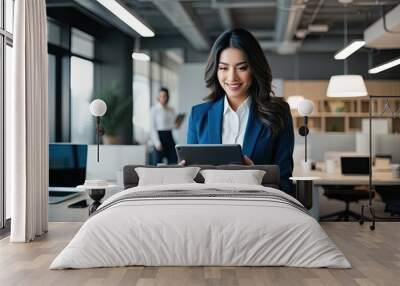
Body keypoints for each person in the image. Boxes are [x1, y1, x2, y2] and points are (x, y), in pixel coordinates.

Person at [186, 28, 294, 194]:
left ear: (254, 68)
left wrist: (255, 175)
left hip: (258, 209)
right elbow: (192, 181)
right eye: (223, 68)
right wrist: (184, 174)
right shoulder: (199, 115)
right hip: (208, 208)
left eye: (242, 68)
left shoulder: (278, 112)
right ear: (215, 70)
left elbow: (284, 181)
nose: (232, 77)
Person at [150, 88, 180, 165]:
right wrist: (157, 142)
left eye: (165, 96)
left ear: (168, 97)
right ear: (158, 97)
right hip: (159, 136)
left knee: (173, 160)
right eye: (161, 96)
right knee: (157, 162)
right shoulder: (154, 110)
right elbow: (152, 128)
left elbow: (174, 126)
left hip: (169, 136)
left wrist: (177, 124)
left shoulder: (171, 109)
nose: (163, 98)